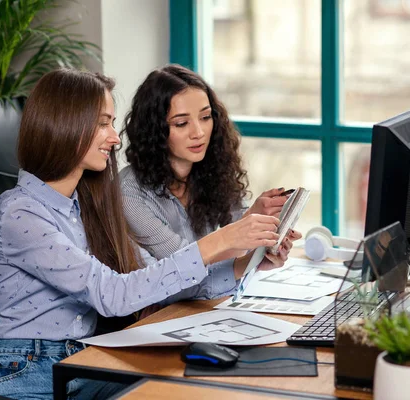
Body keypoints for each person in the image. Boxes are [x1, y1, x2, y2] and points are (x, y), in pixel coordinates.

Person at [0, 69, 285, 400]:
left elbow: (149, 283)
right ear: (67, 125)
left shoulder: (85, 204)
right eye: (103, 123)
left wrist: (242, 265)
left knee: (193, 390)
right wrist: (219, 243)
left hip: (77, 360)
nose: (115, 138)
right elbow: (112, 295)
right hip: (23, 370)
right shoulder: (20, 213)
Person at [120, 64, 301, 286]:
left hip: (207, 305)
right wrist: (247, 225)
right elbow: (181, 266)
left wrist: (266, 244)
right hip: (165, 311)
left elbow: (237, 248)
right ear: (154, 130)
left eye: (206, 117)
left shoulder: (213, 171)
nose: (199, 132)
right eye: (181, 123)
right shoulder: (129, 193)